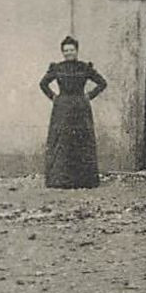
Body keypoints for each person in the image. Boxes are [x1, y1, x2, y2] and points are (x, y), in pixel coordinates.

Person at [39, 36, 108, 189]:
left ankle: (84, 181)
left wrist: (89, 96)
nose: (69, 53)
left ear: (77, 51)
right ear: (62, 52)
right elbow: (43, 84)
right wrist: (54, 97)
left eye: (71, 50)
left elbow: (102, 83)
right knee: (62, 141)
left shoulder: (84, 67)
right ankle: (60, 180)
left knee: (82, 141)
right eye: (66, 50)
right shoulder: (57, 68)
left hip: (81, 107)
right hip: (62, 108)